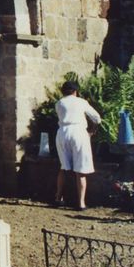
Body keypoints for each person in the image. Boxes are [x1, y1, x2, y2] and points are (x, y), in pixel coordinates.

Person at [54, 80, 102, 210]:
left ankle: (58, 198)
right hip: (78, 132)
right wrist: (91, 132)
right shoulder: (81, 102)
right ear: (76, 91)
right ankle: (81, 203)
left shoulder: (59, 103)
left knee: (64, 167)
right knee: (81, 169)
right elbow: (97, 118)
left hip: (62, 133)